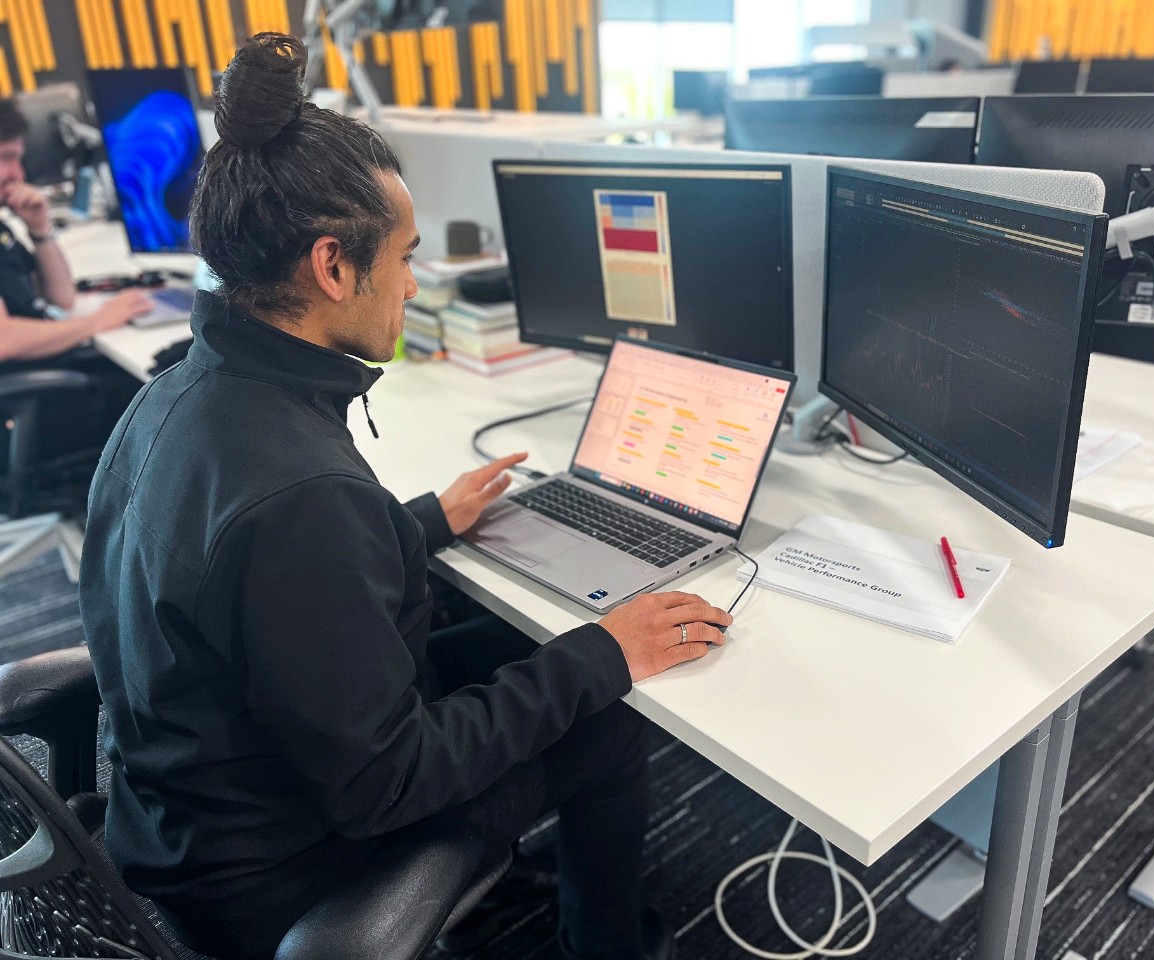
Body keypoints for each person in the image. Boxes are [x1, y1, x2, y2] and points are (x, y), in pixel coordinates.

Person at [80, 32, 731, 960]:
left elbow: (262, 592)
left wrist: (423, 522)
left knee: (520, 645)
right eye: (406, 258)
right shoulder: (301, 496)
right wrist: (605, 653)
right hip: (283, 872)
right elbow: (385, 783)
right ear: (332, 266)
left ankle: (515, 883)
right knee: (606, 716)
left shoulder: (177, 396)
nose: (416, 284)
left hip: (193, 811)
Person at [0, 97, 152, 362]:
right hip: (37, 378)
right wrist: (99, 320)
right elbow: (4, 340)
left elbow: (61, 297)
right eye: (6, 158)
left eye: (19, 159)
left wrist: (40, 229)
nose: (18, 174)